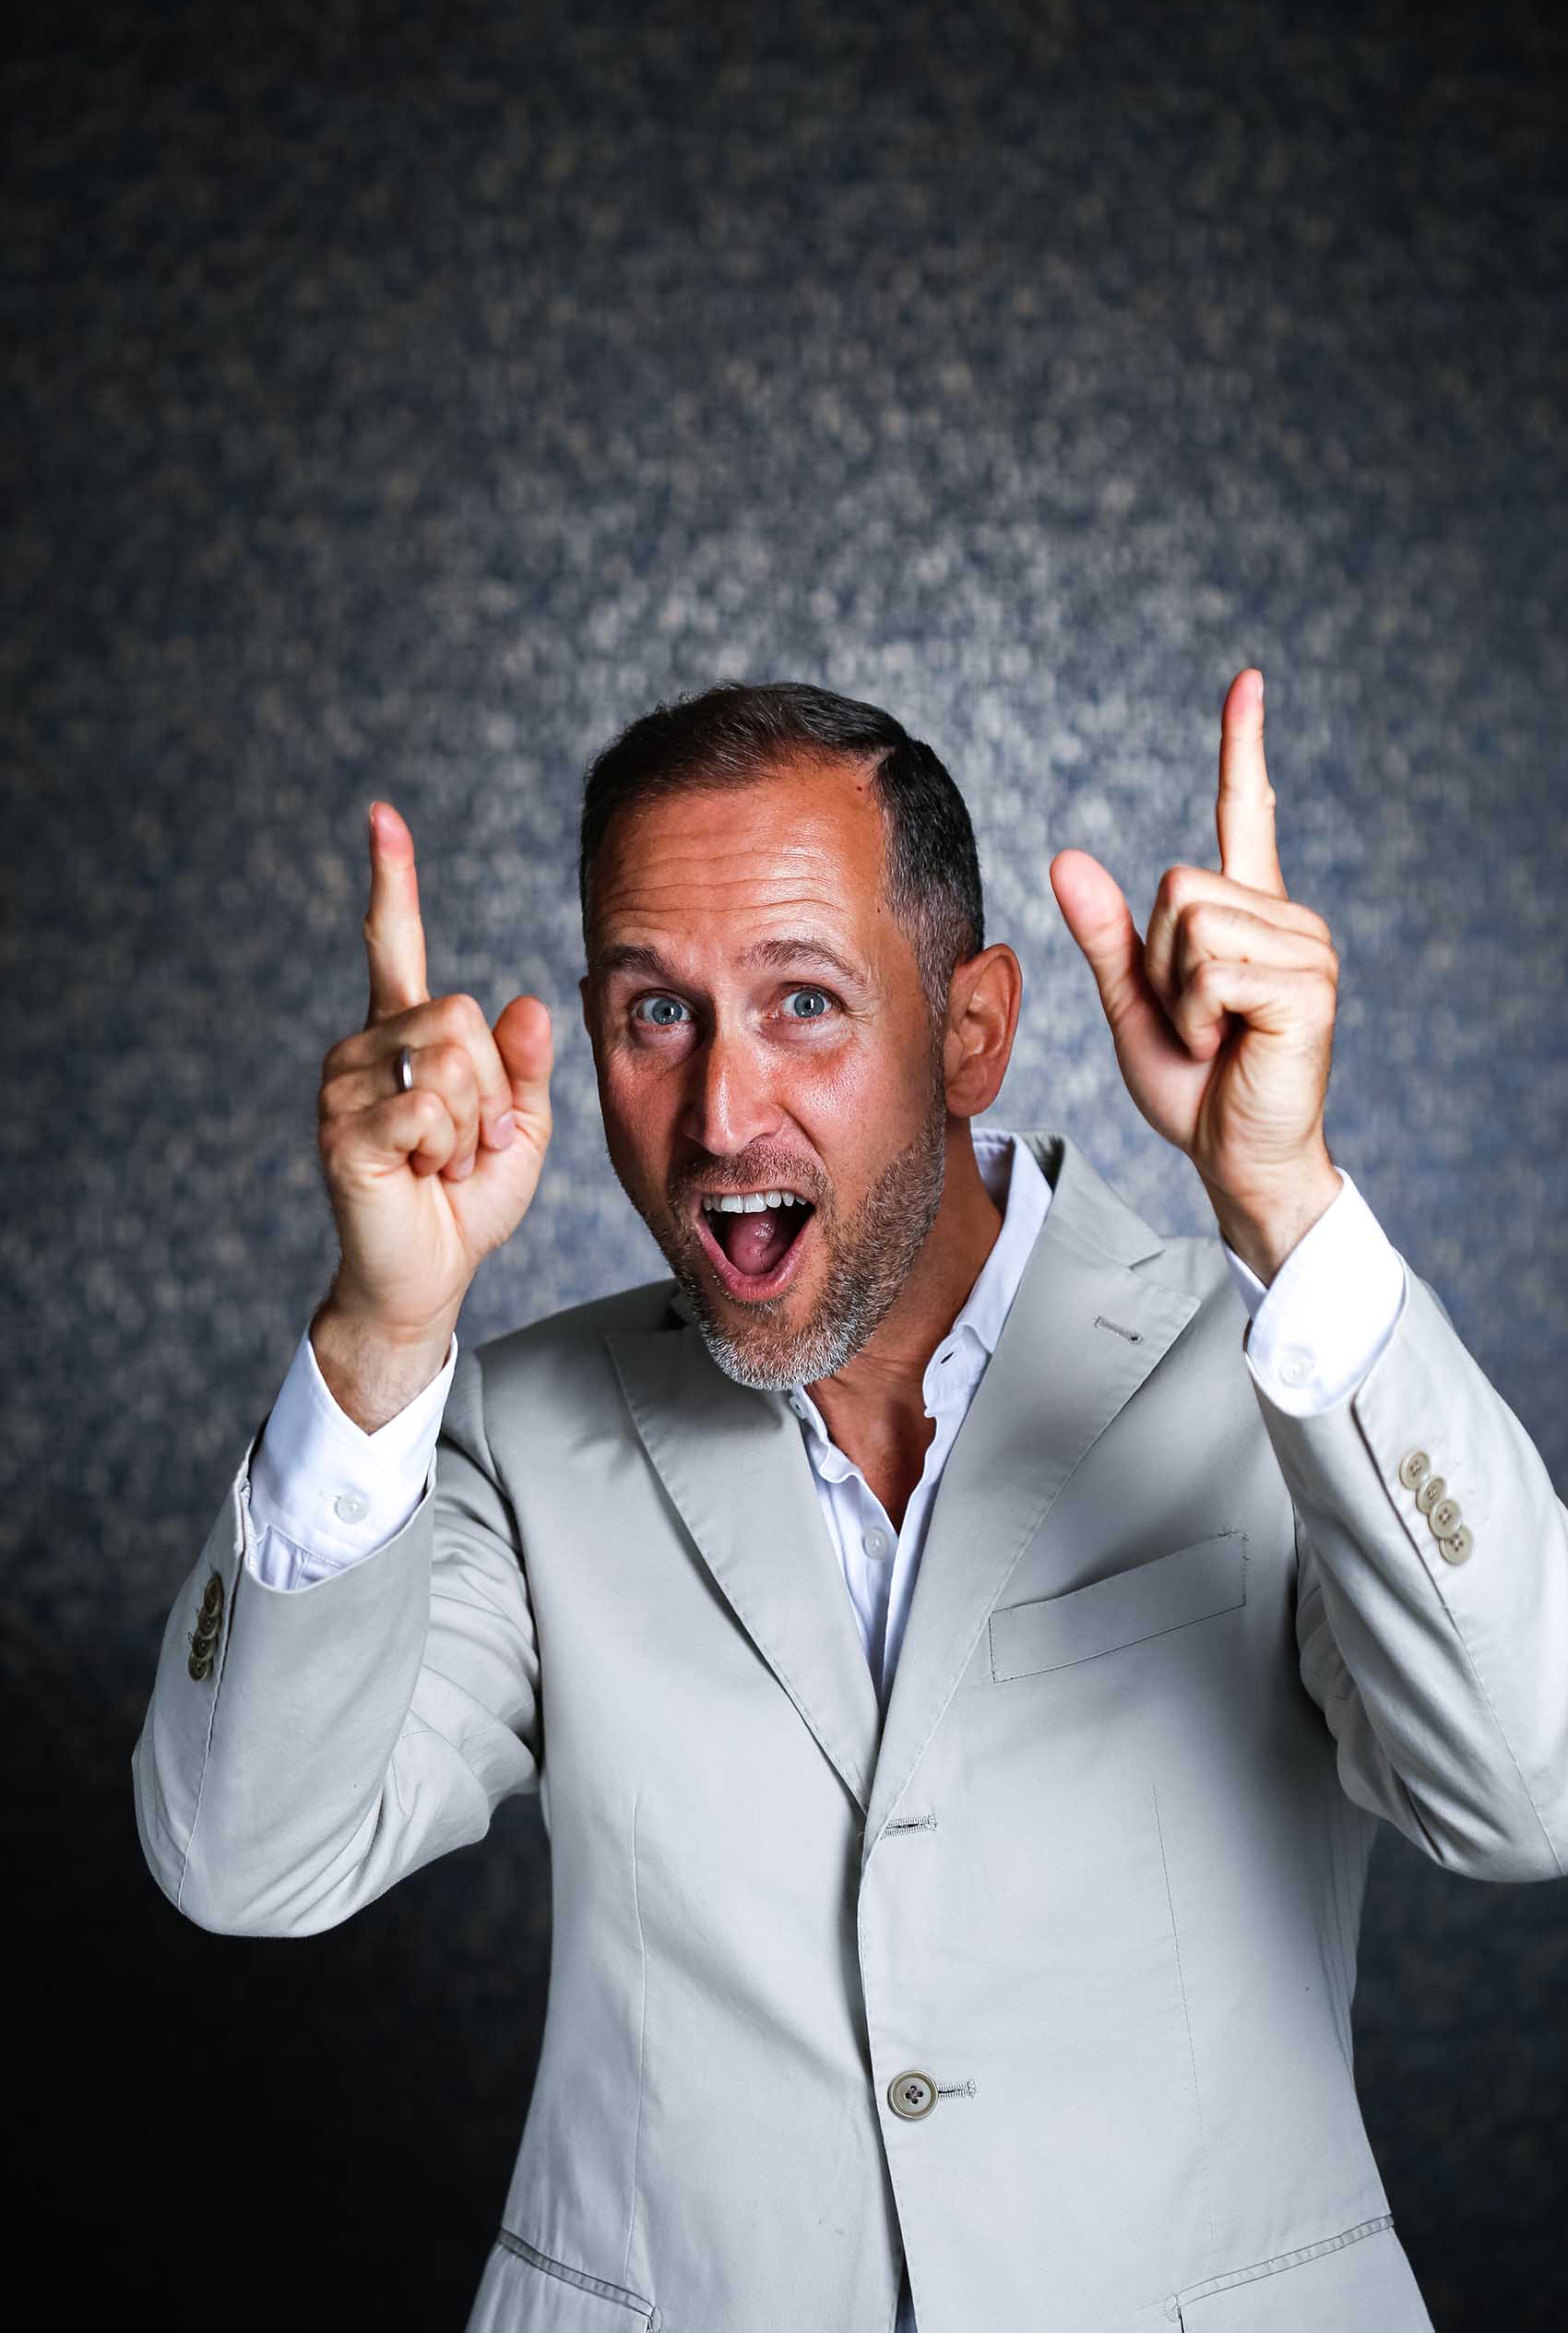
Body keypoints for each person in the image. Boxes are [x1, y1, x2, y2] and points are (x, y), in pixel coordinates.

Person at [133, 672, 1567, 2333]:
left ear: (970, 1031)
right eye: (655, 1013)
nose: (722, 1112)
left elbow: (1527, 1789)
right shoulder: (519, 1435)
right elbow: (245, 1857)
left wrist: (1289, 1209)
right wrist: (382, 1333)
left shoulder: (1282, 1368)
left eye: (804, 1001)